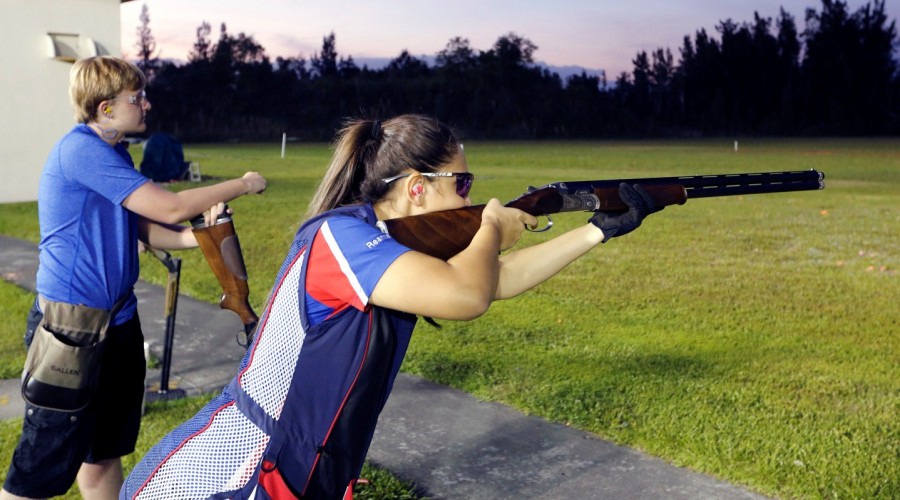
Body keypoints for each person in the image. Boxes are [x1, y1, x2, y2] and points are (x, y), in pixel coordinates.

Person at [121, 114, 660, 499]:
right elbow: (467, 295)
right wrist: (492, 228)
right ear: (419, 189)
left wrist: (596, 232)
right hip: (233, 468)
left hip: (305, 461)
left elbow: (492, 281)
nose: (470, 198)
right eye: (463, 183)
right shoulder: (342, 238)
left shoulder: (380, 241)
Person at [0, 56, 267, 500]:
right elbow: (170, 206)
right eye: (136, 97)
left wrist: (196, 234)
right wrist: (242, 183)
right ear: (105, 108)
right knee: (41, 464)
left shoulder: (114, 151)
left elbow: (144, 226)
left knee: (103, 452)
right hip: (72, 329)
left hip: (119, 322)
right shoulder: (80, 150)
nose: (146, 103)